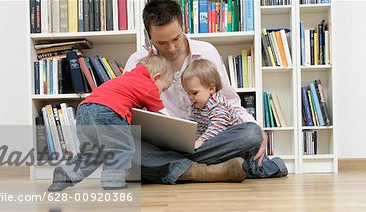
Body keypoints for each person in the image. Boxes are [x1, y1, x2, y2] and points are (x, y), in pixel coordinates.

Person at [124, 0, 288, 184]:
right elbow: (125, 111)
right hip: (160, 145)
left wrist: (258, 131)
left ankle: (171, 168)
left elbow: (230, 103)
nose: (171, 48)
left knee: (250, 134)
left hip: (208, 141)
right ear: (149, 37)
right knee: (116, 140)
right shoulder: (137, 62)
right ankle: (204, 170)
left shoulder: (206, 52)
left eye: (176, 39)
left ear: (183, 26)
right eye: (161, 42)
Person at [47, 55, 174, 191]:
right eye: (163, 89)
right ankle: (112, 181)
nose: (160, 93)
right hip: (108, 112)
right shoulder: (149, 86)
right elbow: (159, 116)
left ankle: (67, 173)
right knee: (121, 149)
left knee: (93, 152)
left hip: (84, 110)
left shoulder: (124, 79)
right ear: (156, 77)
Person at [182, 58, 244, 151]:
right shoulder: (197, 105)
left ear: (211, 88)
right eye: (188, 93)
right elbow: (196, 127)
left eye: (194, 93)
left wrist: (200, 141)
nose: (190, 97)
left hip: (232, 142)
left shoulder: (217, 104)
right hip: (214, 143)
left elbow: (217, 126)